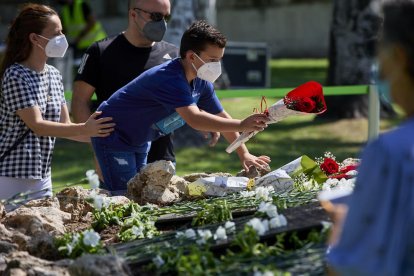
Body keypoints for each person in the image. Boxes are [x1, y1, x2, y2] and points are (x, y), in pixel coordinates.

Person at [91, 20, 271, 195]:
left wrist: (244, 154)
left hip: (139, 139)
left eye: (220, 60)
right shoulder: (171, 78)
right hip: (114, 136)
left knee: (139, 196)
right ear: (192, 56)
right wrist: (241, 124)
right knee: (125, 197)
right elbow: (194, 119)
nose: (217, 66)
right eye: (212, 59)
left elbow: (221, 115)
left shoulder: (201, 81)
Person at [327, 1, 414, 275]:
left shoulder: (392, 152)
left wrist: (340, 224)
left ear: (399, 57)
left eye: (380, 53)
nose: (381, 68)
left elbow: (350, 266)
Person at [0, 4, 114, 200]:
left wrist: (106, 137)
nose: (63, 38)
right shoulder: (15, 74)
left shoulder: (54, 74)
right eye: (57, 33)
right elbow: (38, 126)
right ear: (35, 38)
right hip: (11, 176)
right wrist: (87, 129)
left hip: (43, 176)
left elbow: (65, 126)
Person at [71, 0, 179, 183]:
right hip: (116, 158)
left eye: (166, 16)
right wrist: (98, 146)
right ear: (133, 14)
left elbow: (185, 104)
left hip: (161, 160)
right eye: (156, 16)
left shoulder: (173, 55)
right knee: (122, 209)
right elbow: (80, 102)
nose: (162, 23)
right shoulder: (100, 51)